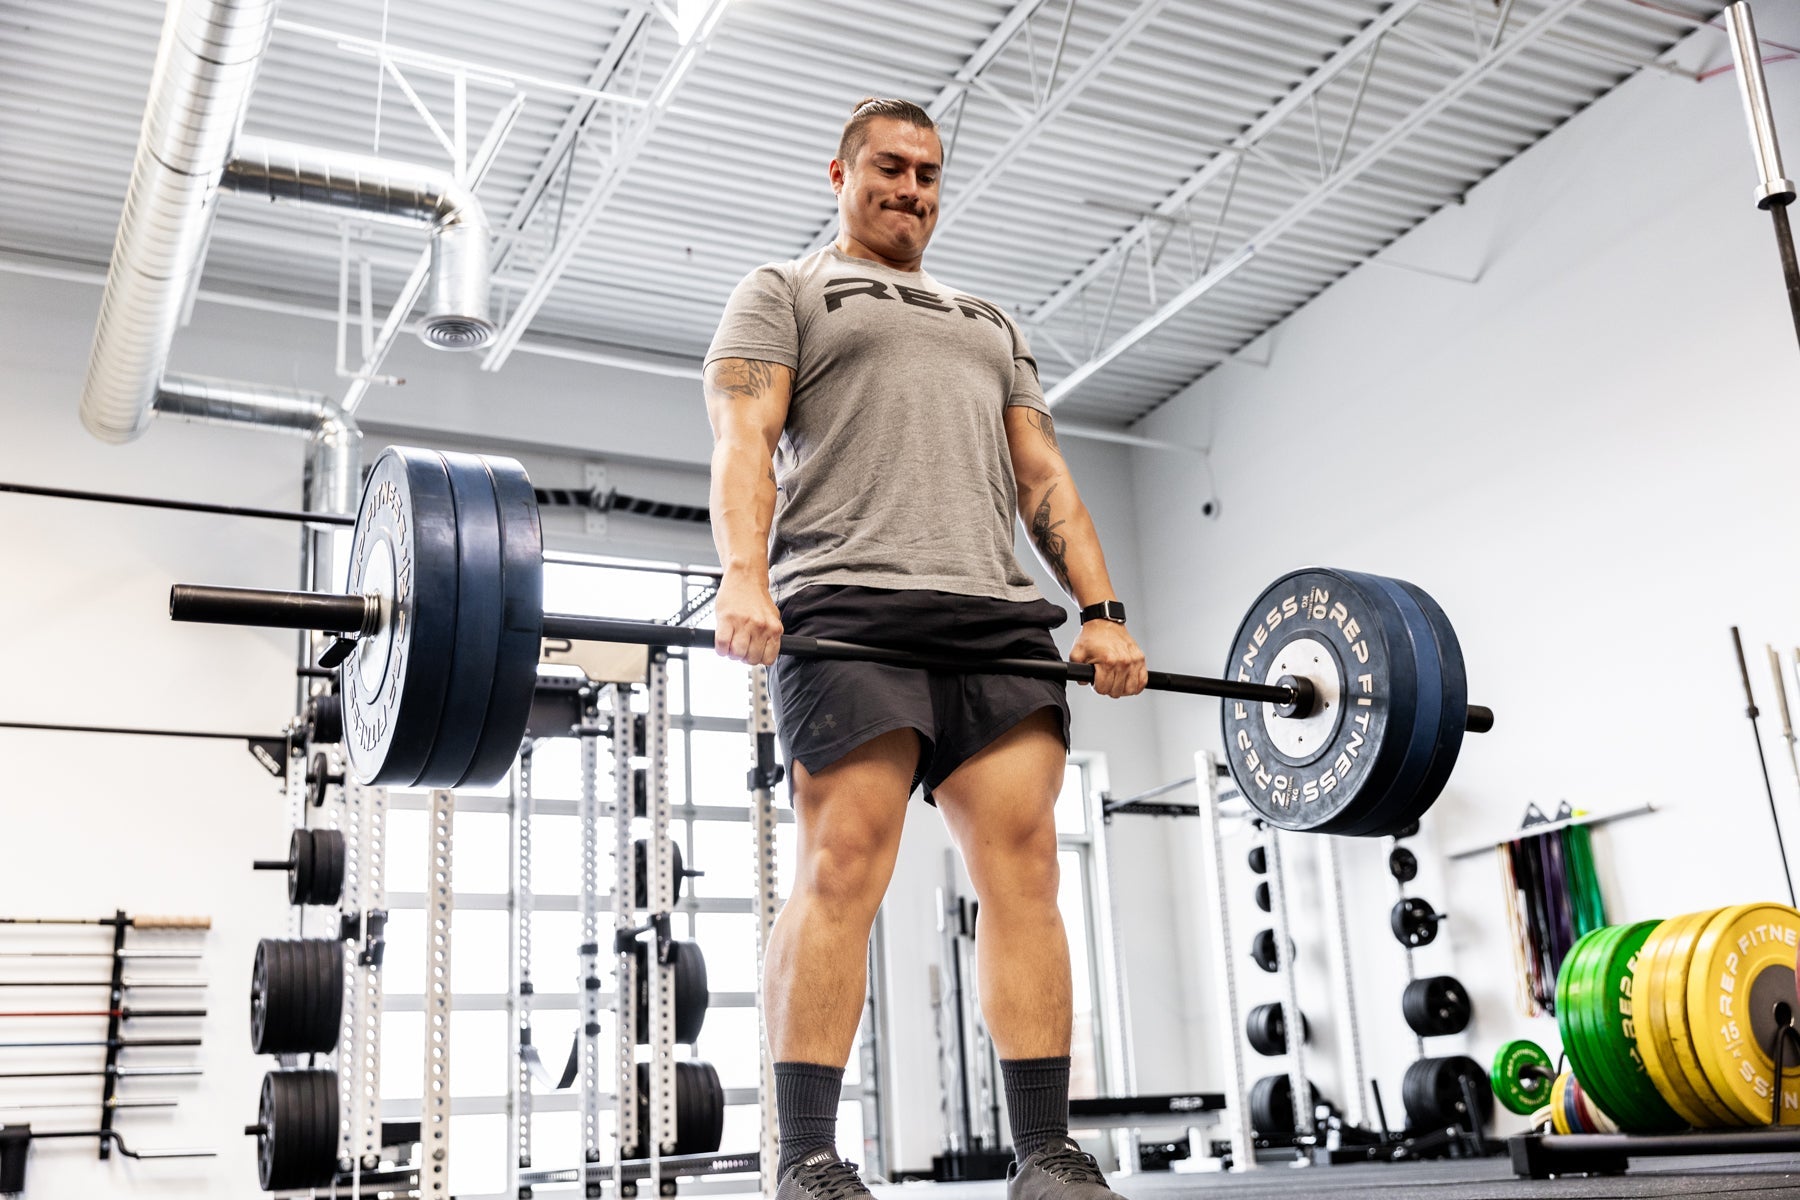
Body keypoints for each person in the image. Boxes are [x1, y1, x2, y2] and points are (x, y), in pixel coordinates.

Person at [703, 97, 1148, 1200]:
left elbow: (1044, 480)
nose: (912, 191)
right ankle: (804, 1154)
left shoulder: (991, 320)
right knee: (842, 862)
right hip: (849, 607)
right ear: (841, 173)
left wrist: (1099, 610)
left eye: (931, 175)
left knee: (1031, 868)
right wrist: (745, 578)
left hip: (995, 616)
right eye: (891, 169)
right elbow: (744, 440)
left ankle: (1044, 1150)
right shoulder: (787, 289)